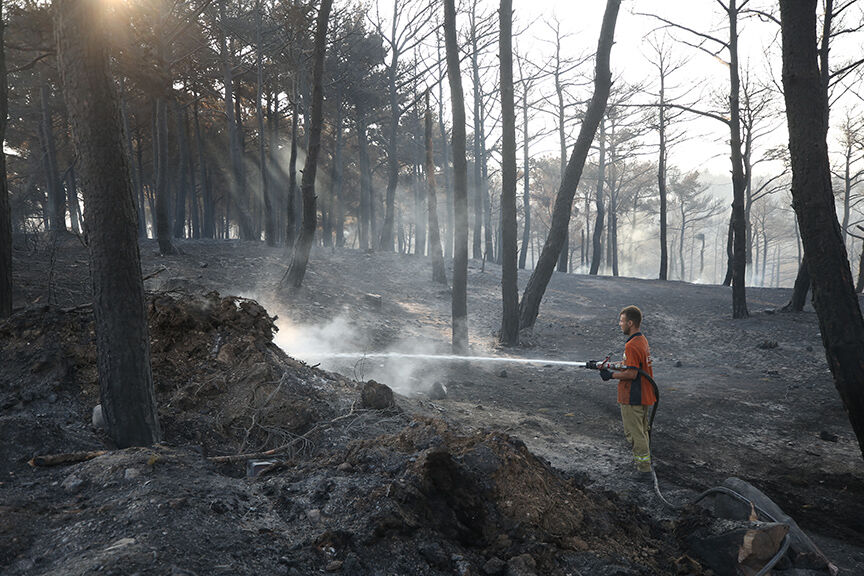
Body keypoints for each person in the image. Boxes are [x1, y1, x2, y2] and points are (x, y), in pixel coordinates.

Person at [599, 305, 656, 474]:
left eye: (622, 321)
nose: (620, 324)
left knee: (635, 434)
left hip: (633, 396)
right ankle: (644, 464)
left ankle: (643, 469)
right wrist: (607, 365)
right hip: (643, 394)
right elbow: (631, 365)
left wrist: (610, 376)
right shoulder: (641, 340)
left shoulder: (631, 345)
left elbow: (631, 373)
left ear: (630, 323)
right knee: (642, 431)